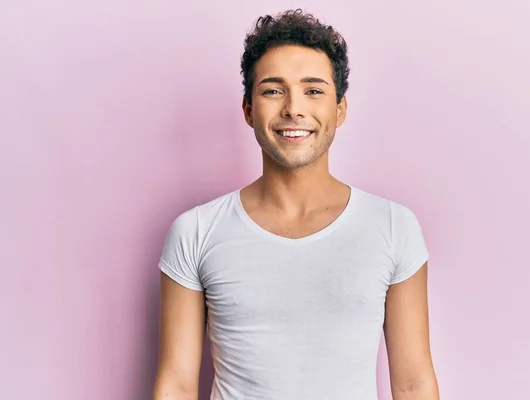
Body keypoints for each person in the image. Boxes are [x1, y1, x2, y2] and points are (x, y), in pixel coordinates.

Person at [153, 9, 439, 400]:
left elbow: (412, 384)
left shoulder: (393, 227)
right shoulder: (196, 231)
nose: (293, 108)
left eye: (314, 90)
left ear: (340, 109)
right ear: (248, 109)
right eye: (273, 90)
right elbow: (177, 383)